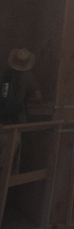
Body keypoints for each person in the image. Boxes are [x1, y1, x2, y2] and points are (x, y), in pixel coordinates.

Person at [0, 48, 42, 177]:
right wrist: (24, 99)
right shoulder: (28, 76)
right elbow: (38, 98)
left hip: (2, 119)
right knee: (11, 158)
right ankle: (7, 191)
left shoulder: (6, 74)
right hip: (17, 120)